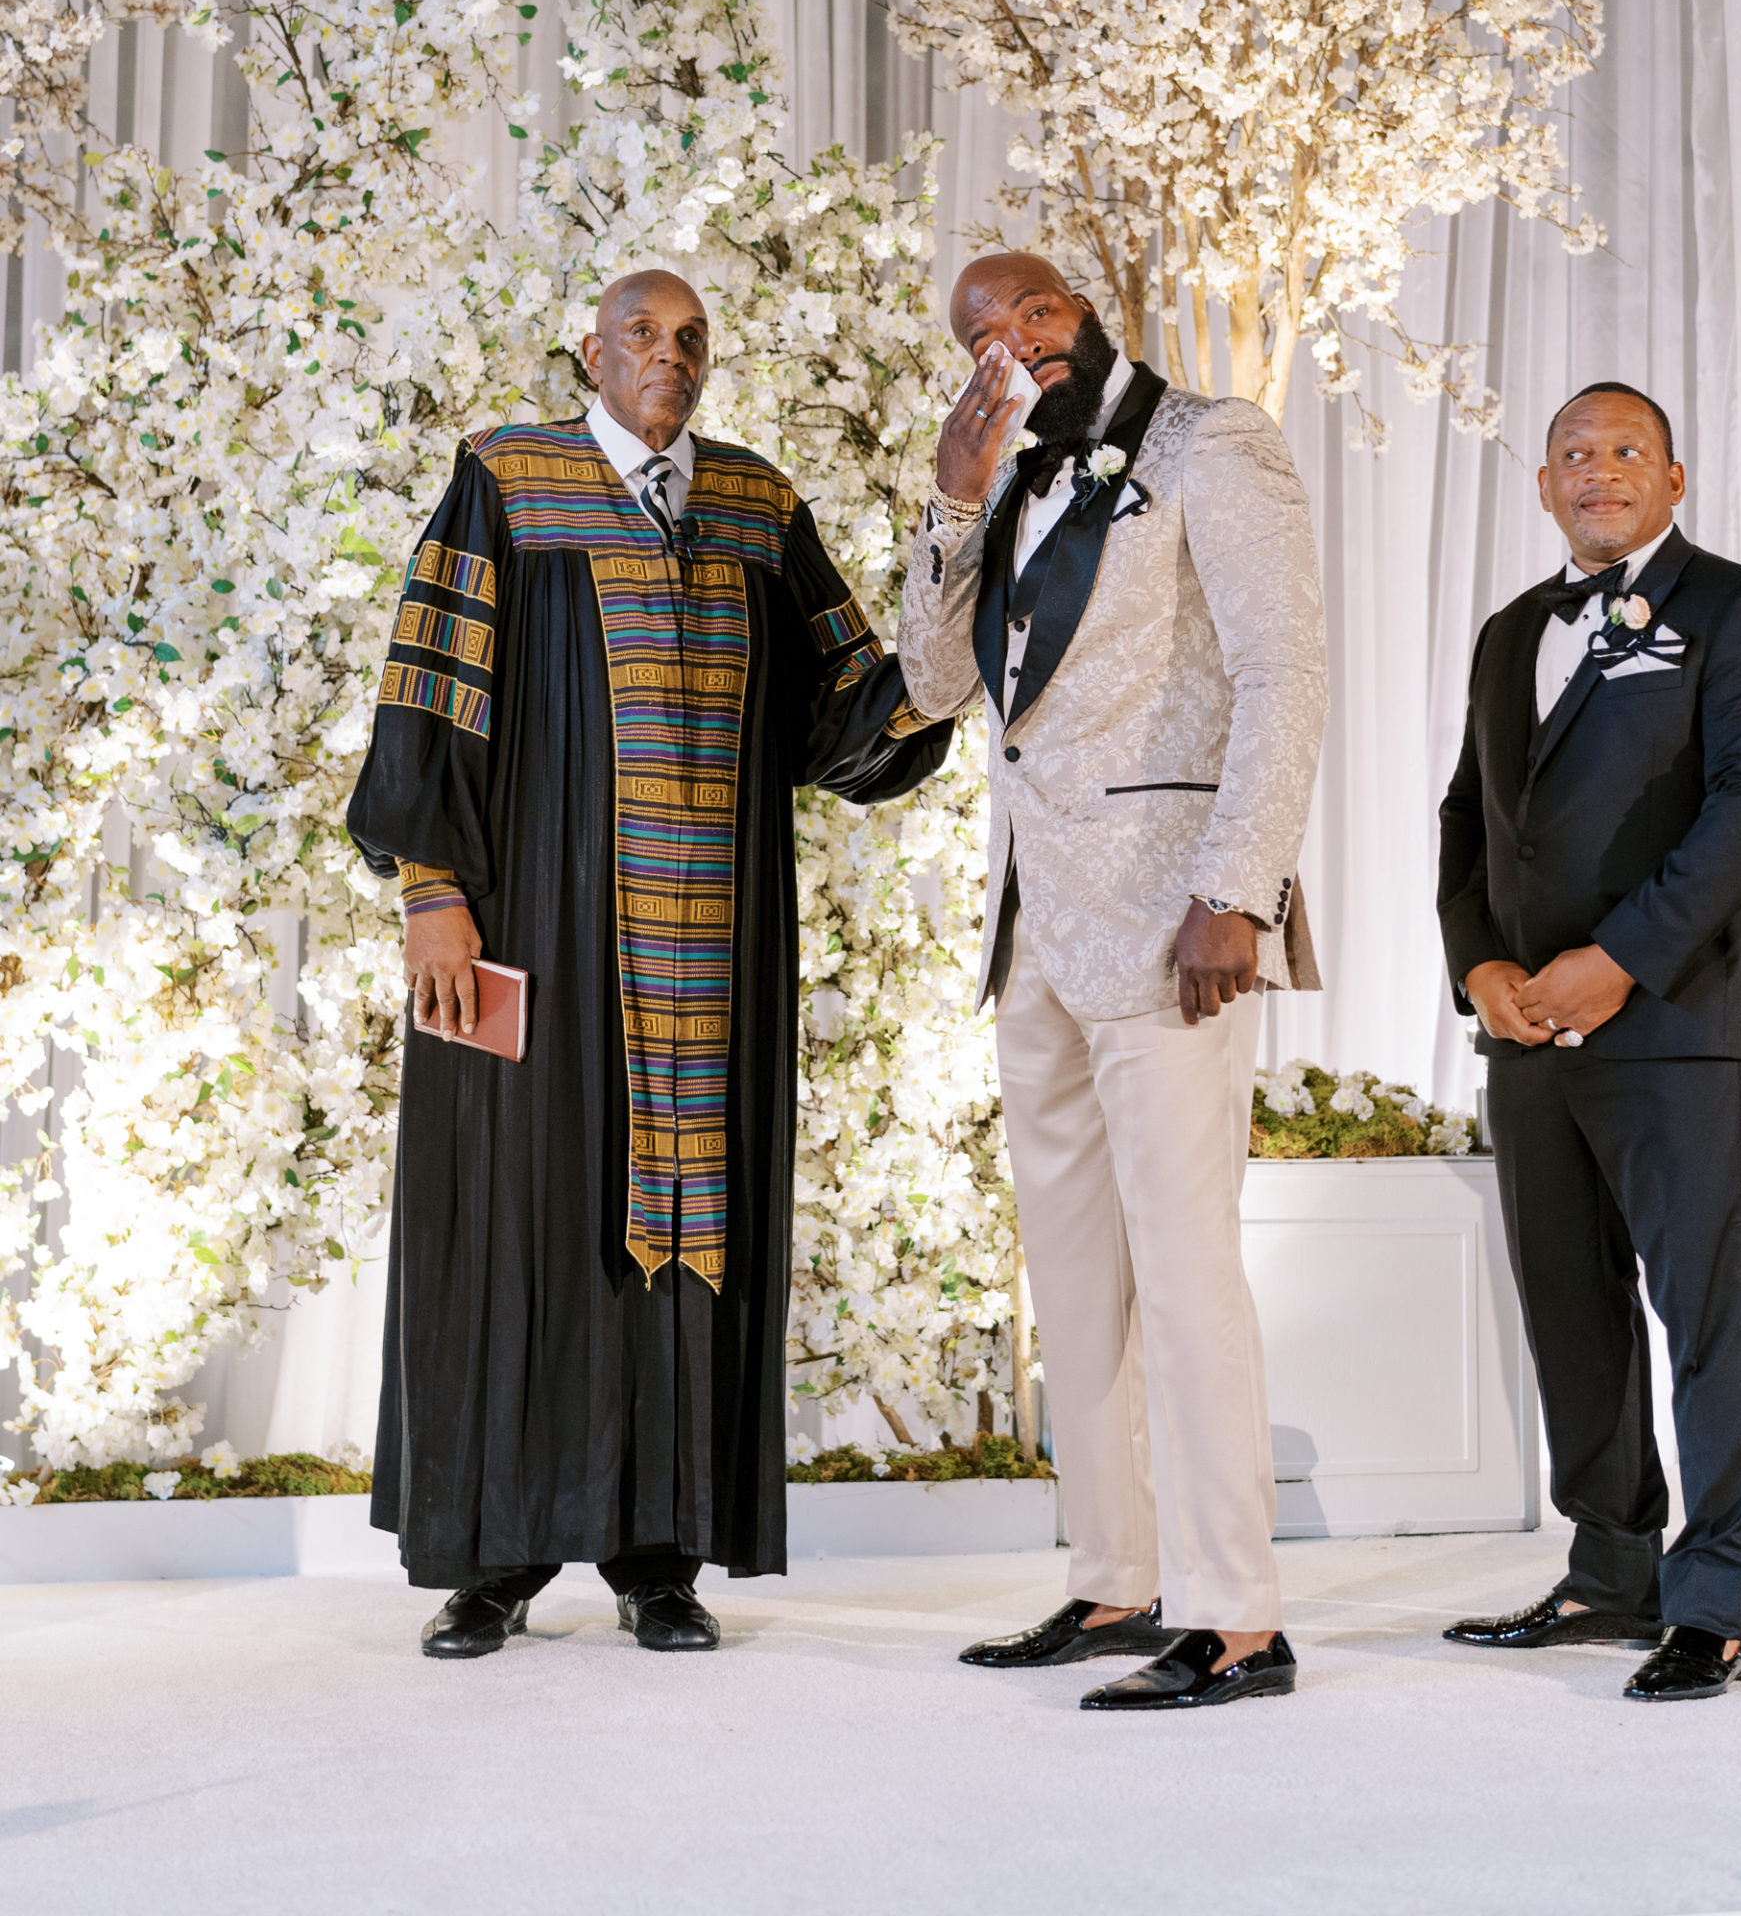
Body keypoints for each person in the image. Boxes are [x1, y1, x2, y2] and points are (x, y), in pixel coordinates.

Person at [346, 269, 950, 1659]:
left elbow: (841, 704)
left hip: (713, 946)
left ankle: (658, 1557)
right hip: (534, 930)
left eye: (688, 342)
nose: (664, 360)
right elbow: (431, 687)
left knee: (687, 1240)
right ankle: (496, 1557)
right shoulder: (509, 480)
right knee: (522, 1219)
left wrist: (949, 638)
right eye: (639, 336)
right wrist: (433, 893)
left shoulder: (756, 505)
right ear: (588, 354)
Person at [897, 252, 1327, 1713]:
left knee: (1187, 1265)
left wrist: (1237, 893)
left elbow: (1285, 674)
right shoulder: (1009, 484)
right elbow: (937, 686)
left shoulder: (1216, 443)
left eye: (1031, 313)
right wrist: (955, 505)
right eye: (981, 337)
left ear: (1081, 311)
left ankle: (1239, 1616)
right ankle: (1114, 1577)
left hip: (1172, 926)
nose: (1011, 344)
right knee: (1073, 1275)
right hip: (1039, 931)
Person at [1436, 383, 1741, 1702]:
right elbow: (1466, 820)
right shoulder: (1506, 632)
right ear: (1544, 485)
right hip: (1529, 1028)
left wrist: (1618, 962)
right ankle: (1610, 1572)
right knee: (1571, 1307)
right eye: (1573, 455)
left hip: (1677, 1013)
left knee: (1707, 1308)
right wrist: (1480, 961)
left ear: (1674, 479)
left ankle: (1715, 1600)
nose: (1597, 472)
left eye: (1624, 453)